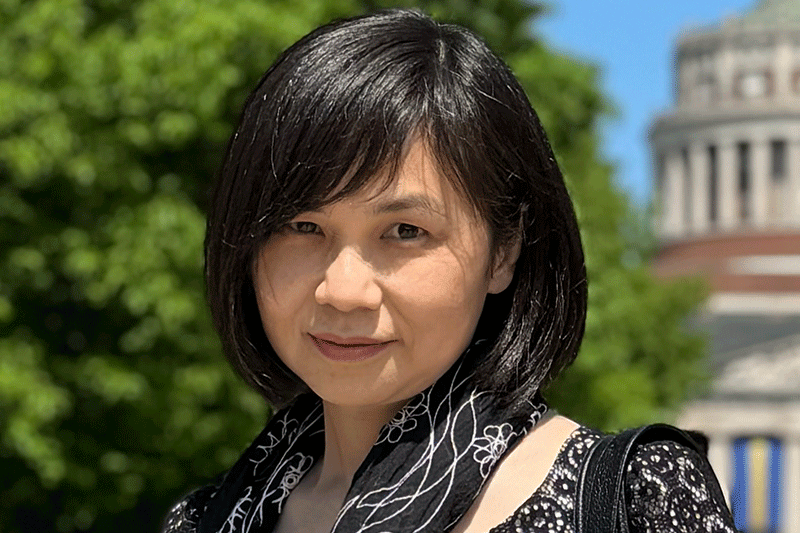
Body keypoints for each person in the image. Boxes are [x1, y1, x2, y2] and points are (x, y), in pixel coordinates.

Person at [162, 9, 737, 533]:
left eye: (405, 231)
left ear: (503, 251)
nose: (344, 290)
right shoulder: (208, 520)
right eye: (303, 226)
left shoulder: (632, 503)